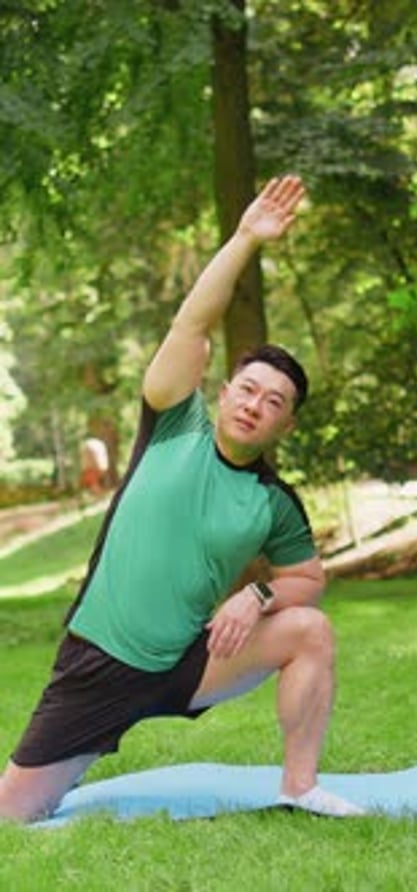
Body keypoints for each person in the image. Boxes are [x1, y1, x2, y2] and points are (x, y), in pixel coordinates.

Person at [0, 175, 363, 822]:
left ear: (286, 426)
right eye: (248, 389)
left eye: (274, 402)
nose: (255, 405)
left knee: (311, 631)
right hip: (98, 661)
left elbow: (308, 579)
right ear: (223, 393)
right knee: (11, 817)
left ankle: (301, 788)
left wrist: (256, 596)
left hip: (192, 662)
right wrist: (246, 237)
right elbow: (192, 323)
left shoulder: (274, 502)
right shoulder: (173, 423)